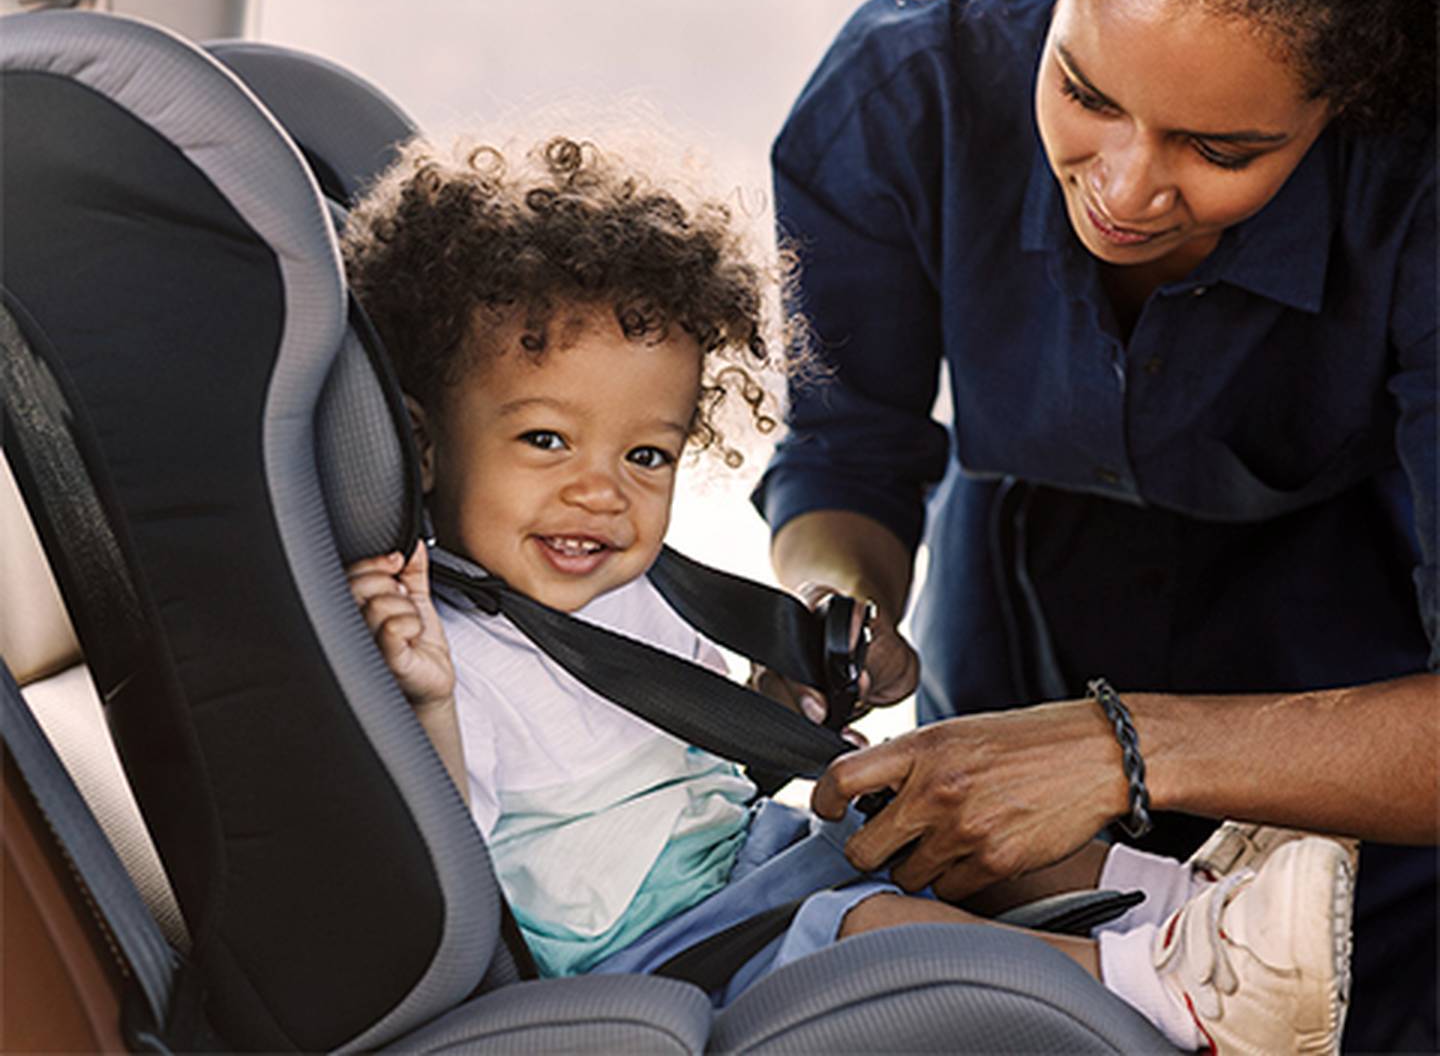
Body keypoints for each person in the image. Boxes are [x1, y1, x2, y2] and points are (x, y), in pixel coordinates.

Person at [341, 131, 1358, 1052]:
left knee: (946, 815)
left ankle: (1200, 900)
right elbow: (445, 872)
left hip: (742, 863)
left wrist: (774, 708)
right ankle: (1182, 989)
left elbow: (681, 767)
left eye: (646, 455)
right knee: (869, 927)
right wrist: (427, 703)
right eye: (545, 440)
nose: (600, 492)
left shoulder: (628, 587)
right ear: (424, 444)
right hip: (650, 945)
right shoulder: (445, 649)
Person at [752, 0, 1437, 1049]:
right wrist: (830, 610)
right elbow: (848, 449)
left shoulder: (1421, 181)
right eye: (1085, 94)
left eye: (1219, 151)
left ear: (1350, 99)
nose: (1123, 188)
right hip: (1012, 616)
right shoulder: (906, 86)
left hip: (1359, 685)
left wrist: (1121, 749)